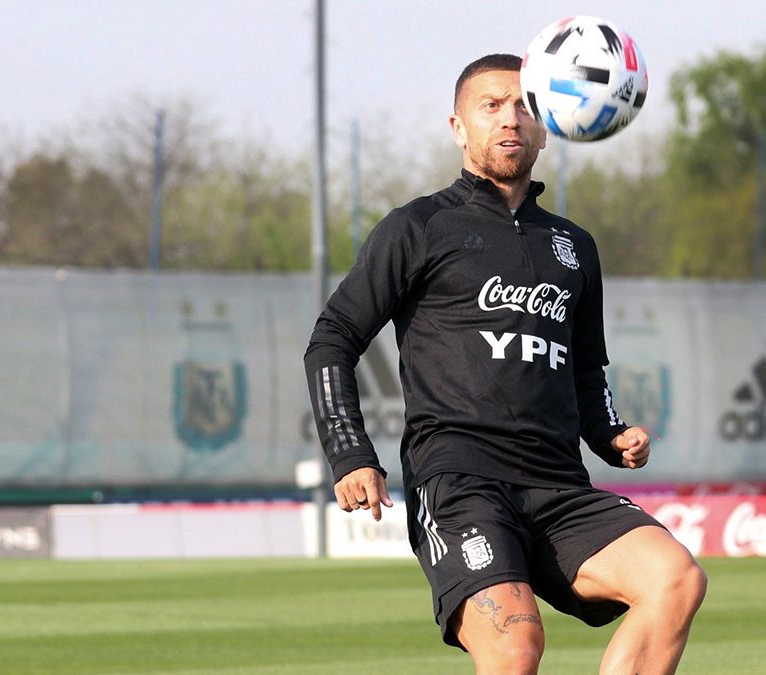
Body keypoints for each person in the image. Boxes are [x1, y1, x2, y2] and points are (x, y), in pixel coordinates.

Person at [303, 53, 706, 674]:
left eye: (525, 107)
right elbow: (332, 339)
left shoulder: (574, 246)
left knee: (675, 579)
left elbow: (584, 370)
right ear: (458, 127)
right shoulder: (419, 226)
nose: (510, 119)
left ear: (547, 128)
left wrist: (610, 433)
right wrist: (350, 452)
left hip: (558, 483)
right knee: (517, 646)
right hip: (459, 481)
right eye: (490, 106)